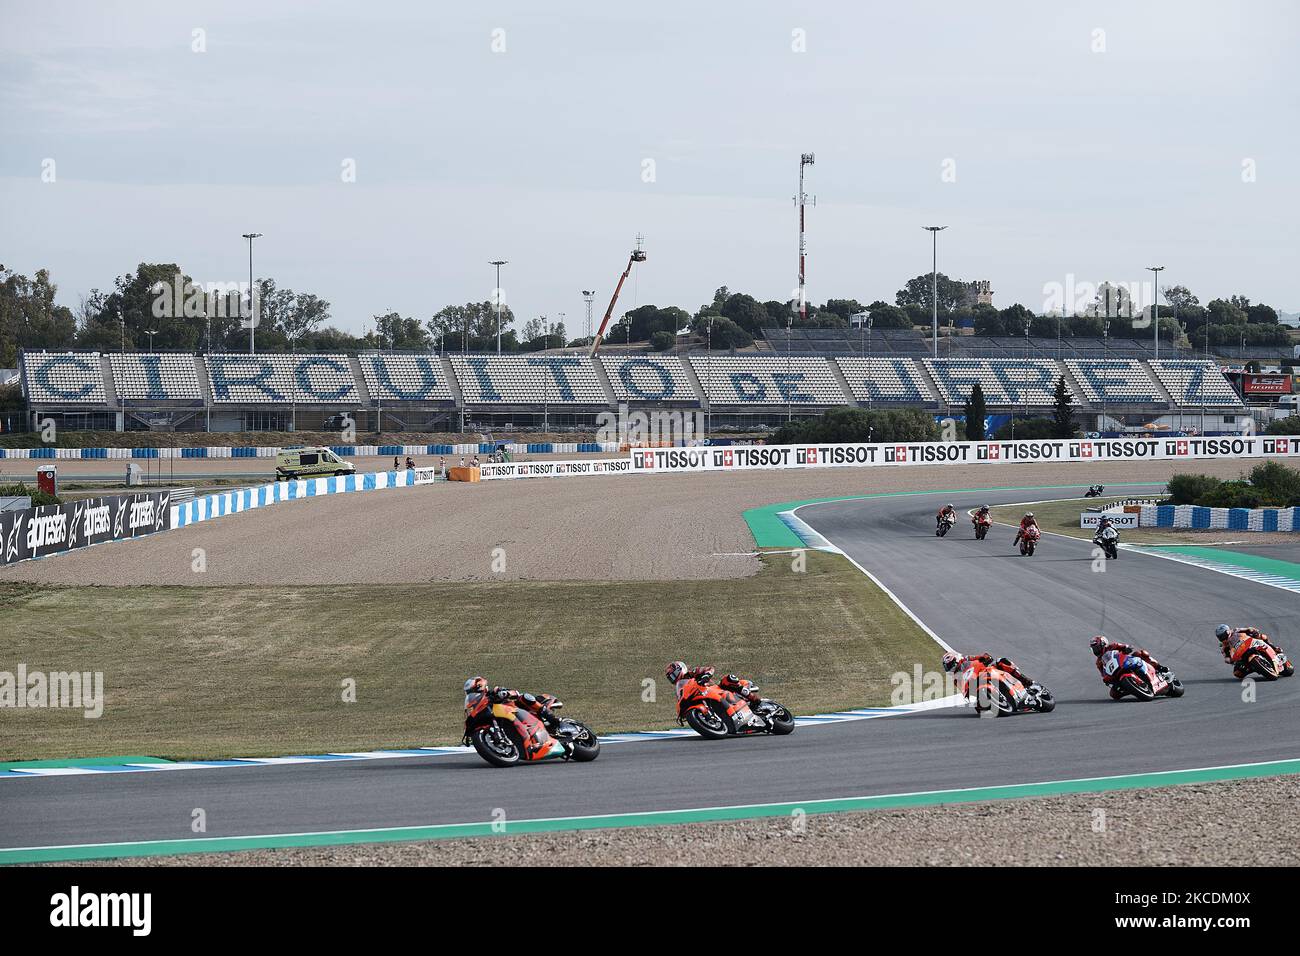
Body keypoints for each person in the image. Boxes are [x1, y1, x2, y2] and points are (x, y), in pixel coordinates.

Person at [462, 676, 563, 757]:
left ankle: (553, 720)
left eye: (473, 690)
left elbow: (515, 693)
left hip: (518, 710)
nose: (472, 694)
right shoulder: (479, 702)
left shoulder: (495, 692)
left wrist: (505, 693)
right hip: (507, 717)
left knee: (525, 697)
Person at [1088, 635, 1166, 697]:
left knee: (1140, 653)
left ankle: (1159, 667)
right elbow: (1103, 673)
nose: (1096, 650)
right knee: (1113, 694)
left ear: (1103, 644)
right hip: (1115, 673)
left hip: (1125, 662)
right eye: (1094, 649)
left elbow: (1125, 646)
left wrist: (1127, 648)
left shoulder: (1113, 646)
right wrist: (1106, 679)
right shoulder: (1098, 662)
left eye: (1097, 648)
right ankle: (1134, 689)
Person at [665, 661, 760, 703]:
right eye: (671, 678)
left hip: (715, 689)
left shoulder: (693, 672)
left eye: (674, 675)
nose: (673, 679)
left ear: (680, 669)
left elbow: (710, 668)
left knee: (728, 679)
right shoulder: (681, 687)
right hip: (701, 696)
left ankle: (753, 699)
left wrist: (706, 675)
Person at [1215, 625, 1283, 679]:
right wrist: (1229, 660)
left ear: (1227, 632)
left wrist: (1251, 630)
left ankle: (1274, 648)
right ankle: (1253, 668)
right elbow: (1226, 657)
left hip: (1249, 645)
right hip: (1241, 657)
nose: (1222, 639)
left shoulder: (1235, 631)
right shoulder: (1223, 647)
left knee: (1261, 636)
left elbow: (1247, 629)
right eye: (1220, 637)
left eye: (1223, 636)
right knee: (1237, 674)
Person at [941, 651, 1036, 688]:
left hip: (985, 671)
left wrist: (985, 658)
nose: (949, 668)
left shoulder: (967, 659)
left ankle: (1025, 680)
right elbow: (963, 689)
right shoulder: (955, 678)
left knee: (1001, 661)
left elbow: (982, 657)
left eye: (950, 665)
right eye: (947, 667)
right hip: (977, 684)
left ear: (955, 660)